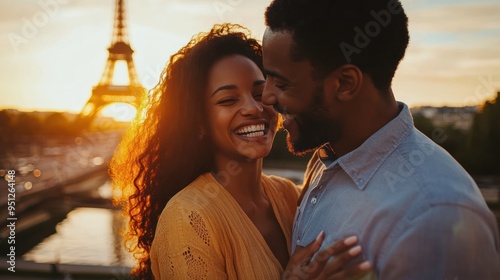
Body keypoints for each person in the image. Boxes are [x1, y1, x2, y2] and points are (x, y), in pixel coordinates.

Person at [111, 23, 371, 280]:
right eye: (228, 100)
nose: (253, 108)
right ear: (199, 123)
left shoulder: (290, 196)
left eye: (259, 93)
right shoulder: (187, 220)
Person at [261, 0, 500, 279]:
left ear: (345, 83)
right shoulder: (329, 154)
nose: (266, 97)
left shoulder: (433, 216)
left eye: (281, 83)